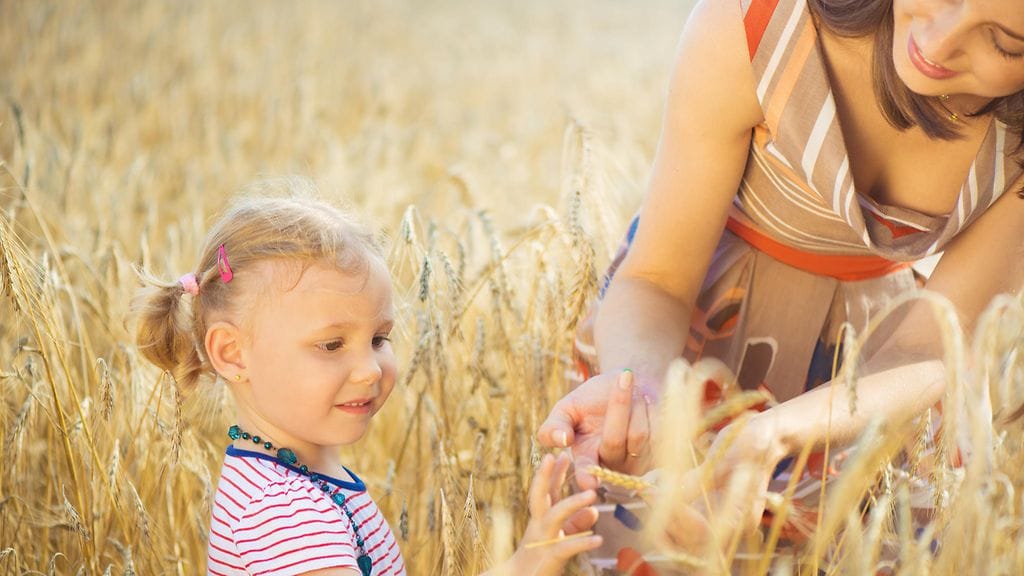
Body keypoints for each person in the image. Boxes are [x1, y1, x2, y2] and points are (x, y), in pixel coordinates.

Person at [538, 0, 1024, 568]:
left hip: (876, 383)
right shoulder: (759, 25)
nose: (939, 44)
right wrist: (640, 388)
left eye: (1006, 42)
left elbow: (929, 344)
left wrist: (782, 431)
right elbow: (658, 278)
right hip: (693, 331)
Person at [131, 188, 603, 576]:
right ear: (232, 353)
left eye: (379, 338)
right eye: (331, 345)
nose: (371, 370)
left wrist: (527, 561)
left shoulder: (294, 484)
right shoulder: (284, 514)